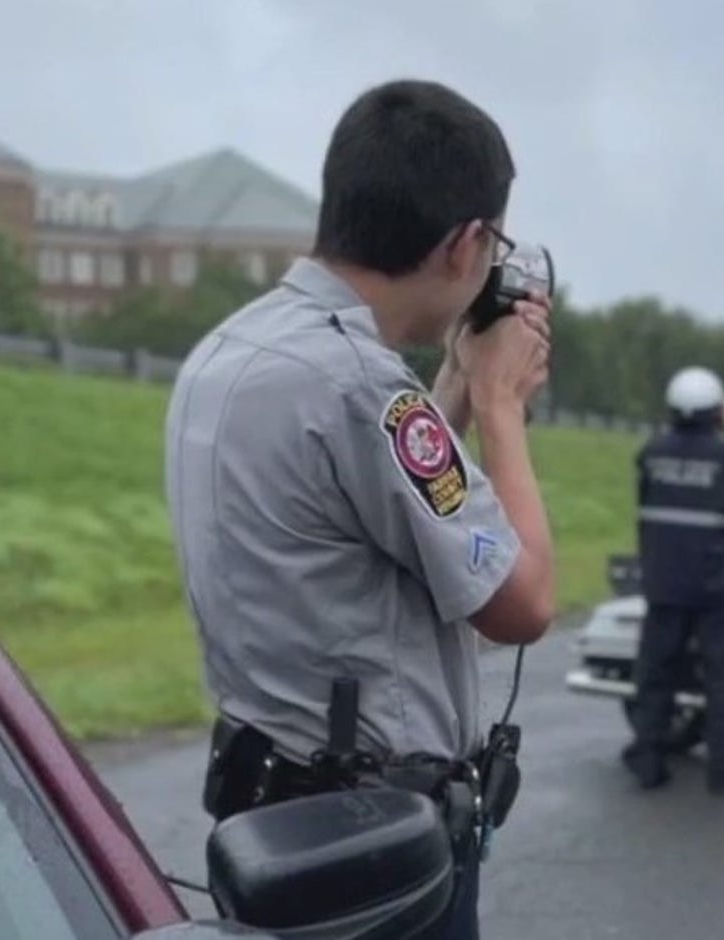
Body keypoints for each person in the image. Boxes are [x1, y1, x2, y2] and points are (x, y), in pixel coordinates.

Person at [163, 79, 556, 940]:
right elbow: (521, 603)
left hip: (276, 814)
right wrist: (497, 404)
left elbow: (371, 502)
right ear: (466, 243)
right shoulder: (358, 382)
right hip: (373, 843)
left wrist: (446, 388)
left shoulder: (235, 348)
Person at [622, 366, 724, 793]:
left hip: (663, 583)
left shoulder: (651, 453)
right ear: (716, 409)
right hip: (715, 587)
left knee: (655, 674)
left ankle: (648, 760)